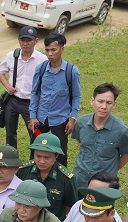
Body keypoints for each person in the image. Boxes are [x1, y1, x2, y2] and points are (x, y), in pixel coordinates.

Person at [28, 33, 82, 167]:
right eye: (47, 50)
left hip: (60, 118)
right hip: (41, 118)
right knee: (36, 148)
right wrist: (32, 116)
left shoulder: (71, 71)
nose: (50, 54)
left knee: (60, 152)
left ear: (62, 49)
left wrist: (73, 118)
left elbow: (76, 96)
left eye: (53, 50)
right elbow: (35, 92)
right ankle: (32, 176)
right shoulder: (40, 69)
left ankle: (60, 180)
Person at [71, 82, 128, 189]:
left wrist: (110, 171)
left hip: (104, 186)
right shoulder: (81, 123)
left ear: (114, 105)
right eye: (100, 101)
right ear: (92, 101)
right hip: (79, 181)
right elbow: (80, 144)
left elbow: (126, 156)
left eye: (109, 102)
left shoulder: (121, 130)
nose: (103, 106)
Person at [0, 26, 47, 150]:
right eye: (22, 40)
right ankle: (11, 157)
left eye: (29, 40)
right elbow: (0, 72)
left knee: (35, 133)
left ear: (36, 41)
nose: (25, 44)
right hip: (12, 101)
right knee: (10, 133)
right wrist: (8, 87)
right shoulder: (11, 56)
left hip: (31, 104)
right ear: (18, 40)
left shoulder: (42, 60)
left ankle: (35, 159)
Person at [17, 133, 77, 222]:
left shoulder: (66, 179)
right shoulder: (22, 171)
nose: (41, 161)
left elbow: (70, 207)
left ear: (56, 156)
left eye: (47, 157)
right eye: (38, 156)